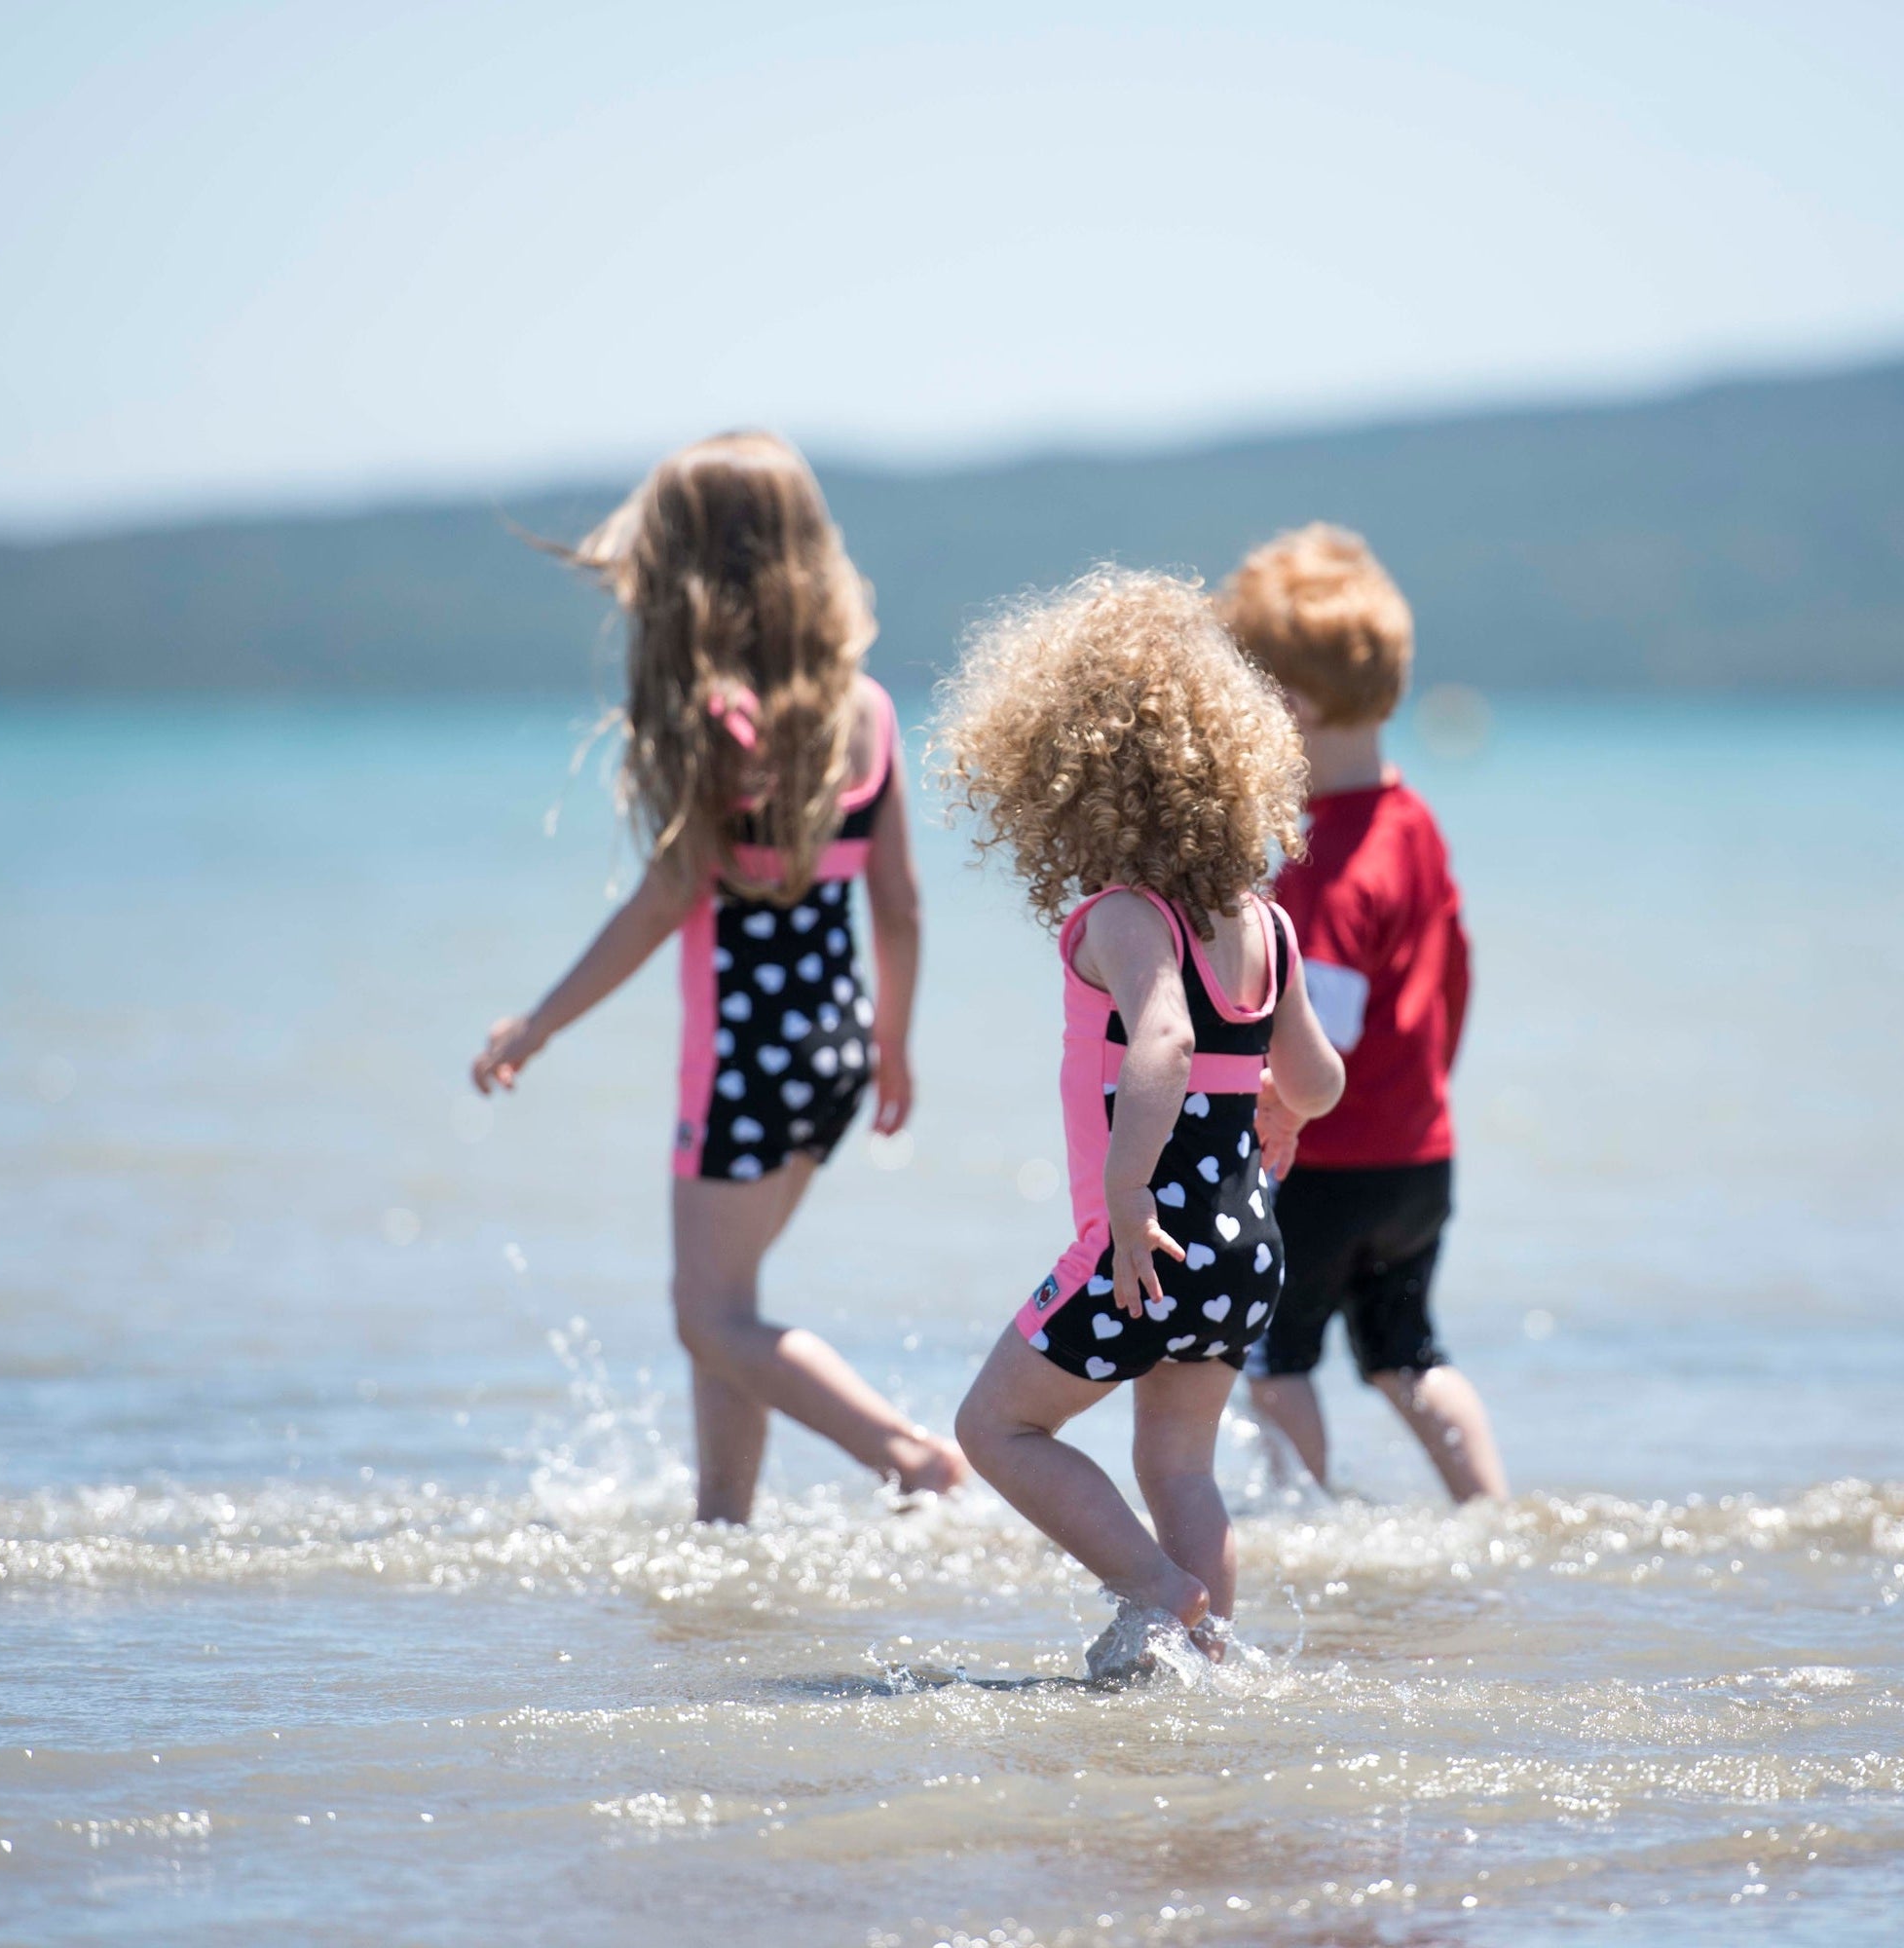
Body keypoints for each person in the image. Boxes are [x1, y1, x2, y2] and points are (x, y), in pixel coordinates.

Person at [471, 431, 966, 1522]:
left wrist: (539, 1024)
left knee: (706, 1316)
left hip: (743, 1061)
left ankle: (911, 1457)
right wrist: (894, 1042)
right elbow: (900, 901)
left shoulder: (720, 721)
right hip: (835, 1045)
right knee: (728, 1305)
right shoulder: (868, 712)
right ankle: (723, 1522)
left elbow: (662, 903)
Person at [939, 569, 1344, 1656]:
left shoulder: (1121, 915)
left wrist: (1124, 1196)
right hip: (1243, 1246)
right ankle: (1208, 1655)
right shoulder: (1265, 923)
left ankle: (1159, 1595)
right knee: (1181, 1465)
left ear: (1064, 778)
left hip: (1145, 1245)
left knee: (996, 1424)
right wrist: (1282, 1113)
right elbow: (1316, 1080)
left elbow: (1160, 1041)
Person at [1217, 523, 1508, 1503]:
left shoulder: (1326, 861)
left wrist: (1265, 1114)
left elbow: (1319, 1028)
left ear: (1285, 705)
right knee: (1404, 1349)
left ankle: (1312, 1518)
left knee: (1274, 1357)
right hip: (1418, 1153)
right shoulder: (1413, 820)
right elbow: (1455, 973)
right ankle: (1486, 1510)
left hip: (1322, 1162)